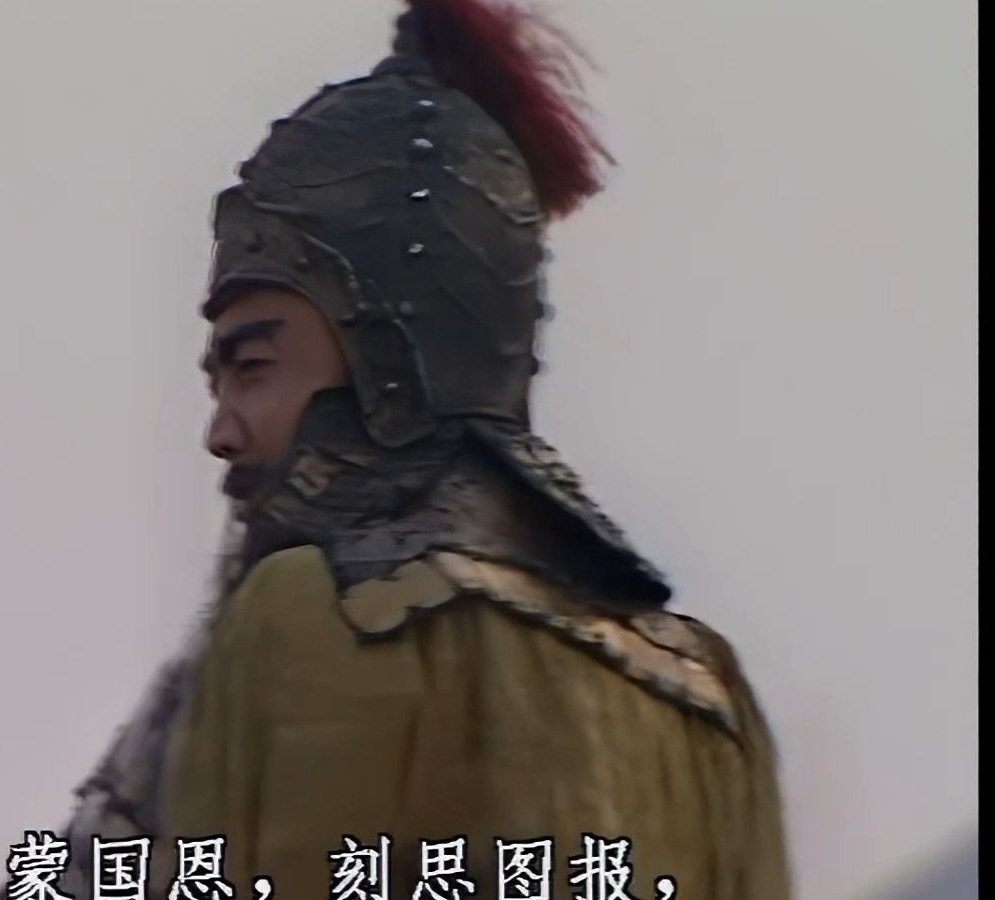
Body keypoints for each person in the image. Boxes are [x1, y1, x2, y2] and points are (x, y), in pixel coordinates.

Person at [40, 1, 792, 897]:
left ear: (388, 365)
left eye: (253, 367)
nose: (222, 433)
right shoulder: (704, 691)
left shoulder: (314, 609)